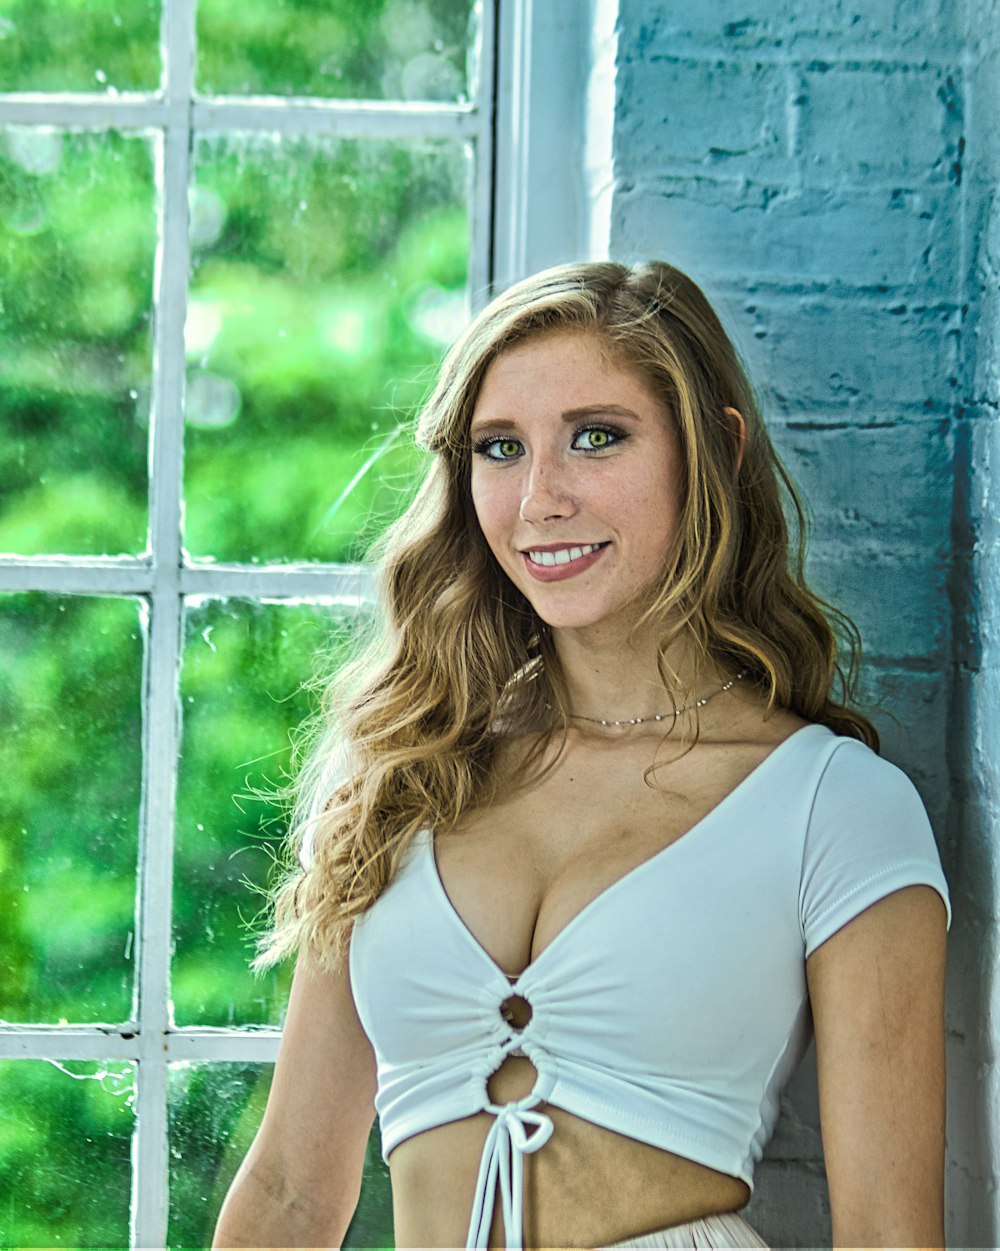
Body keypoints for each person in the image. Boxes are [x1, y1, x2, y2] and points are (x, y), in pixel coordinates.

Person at [212, 260, 951, 1250]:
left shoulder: (834, 806)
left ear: (715, 452)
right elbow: (293, 1193)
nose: (539, 499)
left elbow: (888, 1239)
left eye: (595, 438)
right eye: (499, 448)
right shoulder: (403, 770)